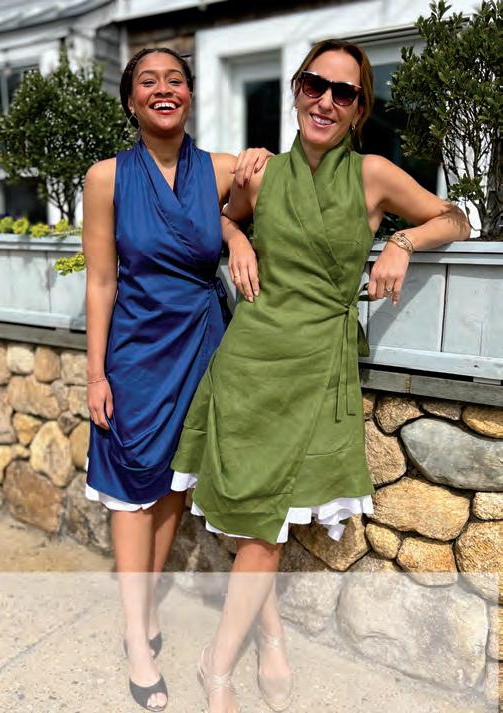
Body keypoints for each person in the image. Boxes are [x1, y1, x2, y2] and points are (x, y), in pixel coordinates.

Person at [170, 39, 470, 713]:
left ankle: (216, 665)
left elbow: (455, 217)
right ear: (297, 90)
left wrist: (401, 241)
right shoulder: (259, 173)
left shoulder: (372, 174)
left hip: (314, 365)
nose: (326, 101)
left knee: (264, 520)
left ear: (359, 109)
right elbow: (214, 218)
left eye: (344, 93)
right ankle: (267, 639)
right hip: (247, 360)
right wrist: (236, 237)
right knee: (247, 516)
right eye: (315, 85)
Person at [82, 47, 270, 712]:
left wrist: (234, 232)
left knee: (170, 489)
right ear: (131, 101)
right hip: (135, 351)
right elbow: (100, 280)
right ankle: (137, 634)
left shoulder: (220, 168)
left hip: (202, 344)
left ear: (190, 94)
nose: (163, 90)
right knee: (132, 490)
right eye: (147, 82)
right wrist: (95, 372)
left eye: (175, 80)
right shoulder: (106, 177)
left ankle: (145, 609)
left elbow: (254, 207)